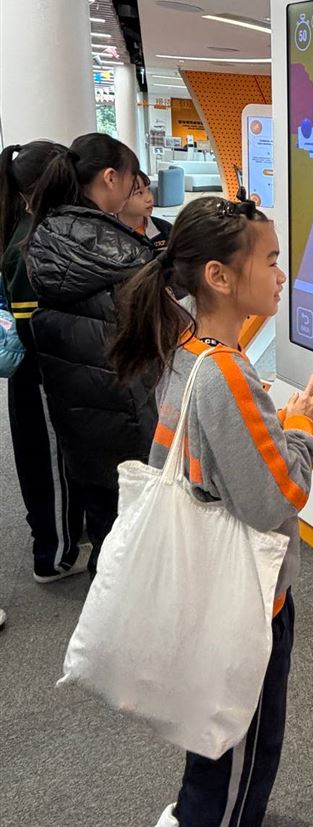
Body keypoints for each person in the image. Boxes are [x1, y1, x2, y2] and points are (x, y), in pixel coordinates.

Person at [110, 196, 313, 827]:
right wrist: (302, 427)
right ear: (220, 276)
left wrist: (277, 421)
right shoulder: (227, 375)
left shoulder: (189, 352)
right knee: (241, 750)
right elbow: (275, 498)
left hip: (204, 591)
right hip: (246, 604)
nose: (280, 273)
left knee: (213, 729)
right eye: (269, 259)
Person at [26, 133, 156, 574]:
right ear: (110, 178)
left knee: (103, 520)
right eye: (133, 182)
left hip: (72, 402)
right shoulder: (118, 249)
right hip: (122, 403)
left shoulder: (45, 233)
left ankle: (103, 594)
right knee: (135, 531)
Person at [0, 140, 89, 581]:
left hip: (43, 372)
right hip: (40, 374)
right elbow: (33, 326)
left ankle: (62, 537)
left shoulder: (30, 230)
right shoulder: (30, 242)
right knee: (49, 466)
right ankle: (53, 557)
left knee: (53, 462)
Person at [118, 170, 172, 252]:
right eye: (139, 193)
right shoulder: (105, 234)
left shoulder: (166, 230)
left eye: (148, 190)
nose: (149, 198)